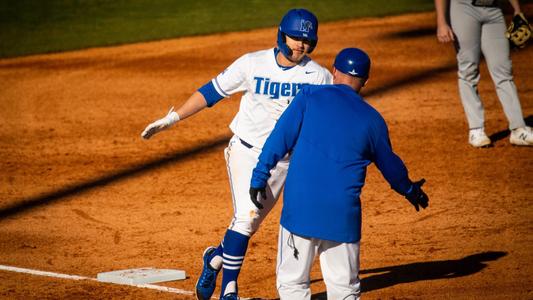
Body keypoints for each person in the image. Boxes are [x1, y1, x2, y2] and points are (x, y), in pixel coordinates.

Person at [141, 8, 332, 300]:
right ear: (282, 34)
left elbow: (326, 121)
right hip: (247, 153)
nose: (301, 45)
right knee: (246, 217)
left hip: (283, 162)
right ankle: (229, 290)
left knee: (248, 225)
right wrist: (172, 119)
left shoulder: (318, 76)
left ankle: (215, 258)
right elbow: (211, 92)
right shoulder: (251, 64)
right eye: (296, 38)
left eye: (307, 41)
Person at [249, 48, 429, 300]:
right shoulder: (372, 120)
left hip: (301, 210)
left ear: (334, 72)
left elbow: (277, 141)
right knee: (344, 291)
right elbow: (391, 168)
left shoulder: (308, 97)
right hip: (342, 216)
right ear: (365, 81)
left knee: (292, 285)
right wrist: (410, 190)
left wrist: (259, 176)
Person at [434, 0, 533, 147]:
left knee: (503, 69)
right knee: (468, 70)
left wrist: (517, 10)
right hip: (463, 9)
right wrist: (441, 22)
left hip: (494, 11)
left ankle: (518, 129)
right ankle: (476, 130)